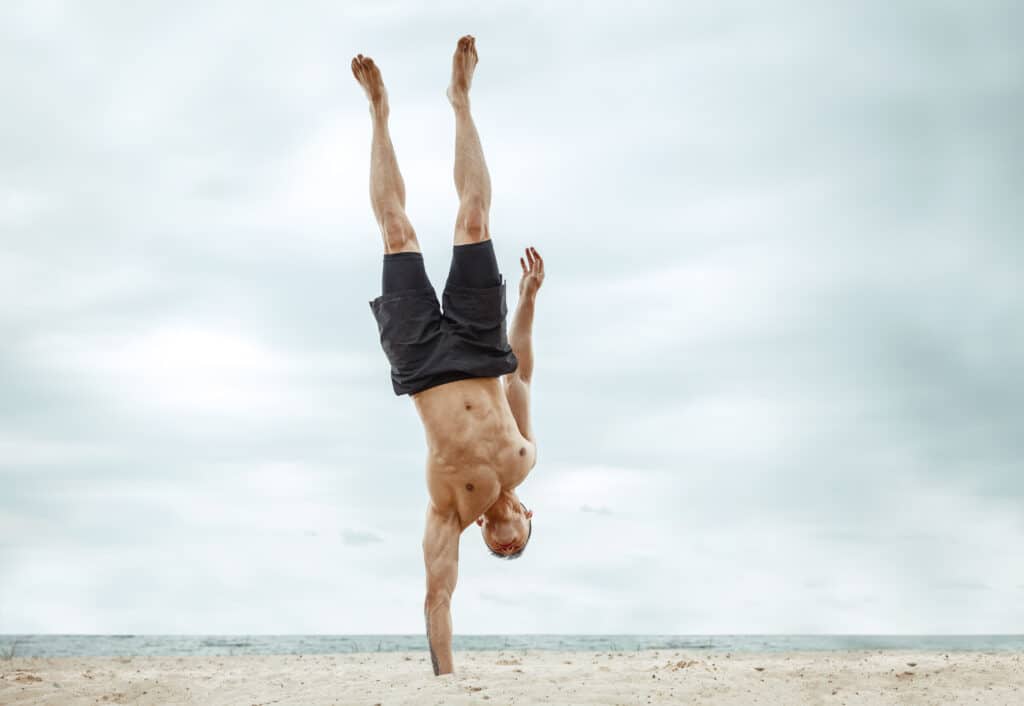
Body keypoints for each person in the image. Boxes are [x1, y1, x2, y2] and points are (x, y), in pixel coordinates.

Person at [351, 35, 545, 676]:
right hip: (481, 346)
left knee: (396, 230)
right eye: (511, 531)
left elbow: (437, 594)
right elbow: (522, 367)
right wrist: (528, 298)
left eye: (496, 541)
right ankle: (460, 100)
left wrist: (445, 679)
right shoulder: (524, 457)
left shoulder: (448, 511)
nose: (499, 529)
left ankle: (378, 112)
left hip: (421, 364)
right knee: (474, 220)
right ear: (526, 515)